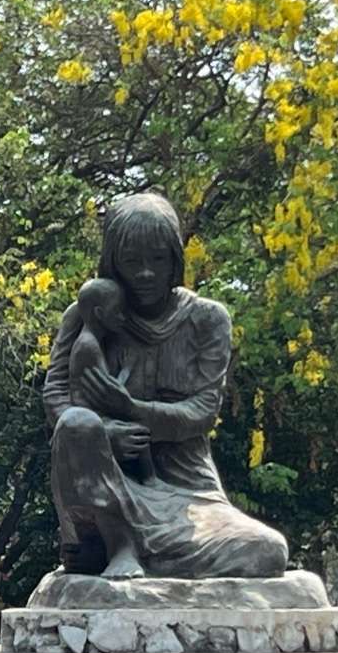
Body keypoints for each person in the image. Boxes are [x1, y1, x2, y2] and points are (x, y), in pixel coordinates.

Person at [43, 190, 288, 580]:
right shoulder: (90, 312)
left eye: (157, 259)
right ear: (113, 262)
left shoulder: (207, 320)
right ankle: (114, 543)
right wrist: (105, 435)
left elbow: (201, 412)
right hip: (109, 480)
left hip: (186, 494)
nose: (145, 273)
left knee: (267, 552)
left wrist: (131, 409)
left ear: (175, 258)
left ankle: (138, 556)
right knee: (75, 425)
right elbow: (56, 392)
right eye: (132, 261)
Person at [70, 277, 157, 487]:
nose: (122, 317)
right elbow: (111, 391)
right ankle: (150, 481)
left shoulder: (92, 343)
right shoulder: (88, 345)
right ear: (99, 314)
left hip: (95, 415)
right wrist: (127, 368)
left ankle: (144, 481)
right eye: (116, 311)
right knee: (138, 434)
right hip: (92, 419)